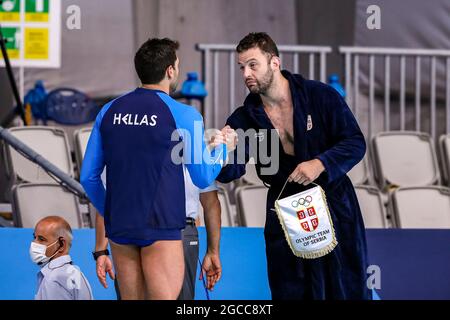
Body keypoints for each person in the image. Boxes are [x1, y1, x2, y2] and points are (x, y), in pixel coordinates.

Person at [216, 32, 371, 300]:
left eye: (253, 65)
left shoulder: (320, 96)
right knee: (292, 290)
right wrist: (221, 151)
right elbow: (231, 172)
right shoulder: (245, 118)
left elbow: (355, 142)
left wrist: (320, 162)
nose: (246, 74)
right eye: (241, 67)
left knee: (344, 288)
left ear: (274, 62)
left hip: (333, 202)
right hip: (284, 208)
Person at [80, 38, 232, 300]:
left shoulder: (108, 111)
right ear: (170, 71)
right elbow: (203, 176)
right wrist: (223, 149)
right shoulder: (185, 114)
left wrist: (111, 211)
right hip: (161, 224)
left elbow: (88, 177)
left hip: (121, 226)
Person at [94, 168, 223, 300]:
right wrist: (213, 252)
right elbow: (211, 203)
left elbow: (104, 197)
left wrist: (101, 250)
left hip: (131, 230)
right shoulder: (195, 150)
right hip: (178, 230)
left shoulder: (118, 148)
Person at [31, 216, 93, 300]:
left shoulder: (54, 279)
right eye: (35, 237)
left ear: (61, 245)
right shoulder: (76, 272)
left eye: (41, 239)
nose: (34, 243)